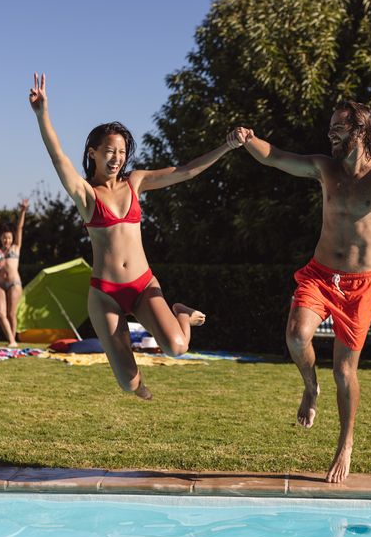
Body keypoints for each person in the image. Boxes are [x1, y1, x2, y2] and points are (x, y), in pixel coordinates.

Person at [235, 101, 371, 482]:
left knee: (345, 371)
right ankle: (310, 387)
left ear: (360, 130)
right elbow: (276, 157)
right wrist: (250, 140)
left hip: (360, 285)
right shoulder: (325, 168)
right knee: (297, 336)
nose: (331, 134)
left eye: (339, 129)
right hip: (319, 274)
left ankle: (345, 444)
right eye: (331, 128)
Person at [29, 72, 242, 399]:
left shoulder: (136, 182)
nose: (116, 158)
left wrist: (225, 147)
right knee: (128, 383)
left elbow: (184, 171)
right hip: (105, 293)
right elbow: (59, 158)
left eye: (122, 151)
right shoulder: (87, 195)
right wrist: (43, 115)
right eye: (109, 151)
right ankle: (137, 385)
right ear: (92, 153)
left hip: (143, 285)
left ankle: (180, 312)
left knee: (177, 346)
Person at [0, 199, 28, 347]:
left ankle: (12, 341)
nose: (7, 240)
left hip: (15, 283)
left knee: (11, 314)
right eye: (4, 237)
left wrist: (22, 211)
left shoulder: (16, 248)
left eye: (9, 237)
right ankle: (11, 340)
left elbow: (20, 228)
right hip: (1, 283)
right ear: (0, 238)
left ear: (12, 238)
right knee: (1, 314)